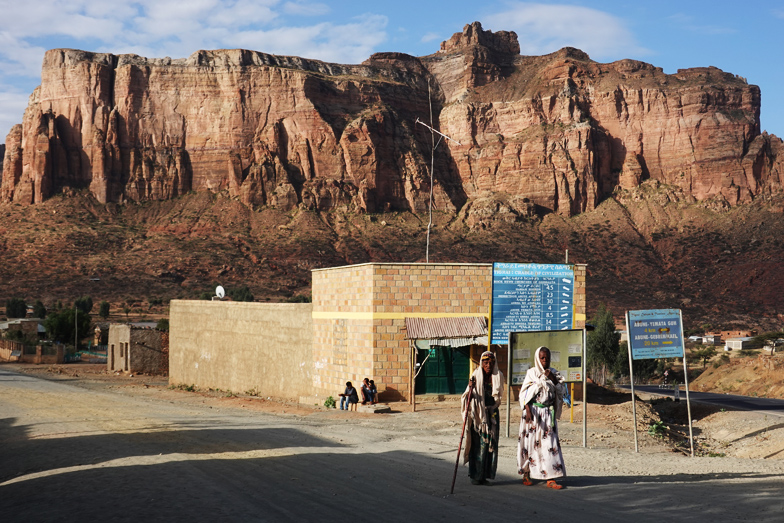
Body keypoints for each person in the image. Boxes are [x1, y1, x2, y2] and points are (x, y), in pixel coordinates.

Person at [517, 346, 567, 490]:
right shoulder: (532, 373)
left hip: (547, 414)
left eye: (547, 358)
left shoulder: (554, 374)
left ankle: (550, 477)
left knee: (549, 445)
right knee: (529, 444)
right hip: (532, 414)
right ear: (537, 358)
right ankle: (526, 473)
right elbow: (523, 395)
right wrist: (527, 411)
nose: (545, 361)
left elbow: (562, 392)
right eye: (542, 358)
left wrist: (553, 380)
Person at [461, 351, 504, 485]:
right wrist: (470, 388)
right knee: (477, 446)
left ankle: (485, 475)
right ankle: (475, 475)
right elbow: (468, 396)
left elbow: (499, 396)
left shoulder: (498, 375)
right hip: (479, 417)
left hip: (492, 414)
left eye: (491, 363)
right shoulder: (476, 375)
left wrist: (492, 407)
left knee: (490, 446)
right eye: (485, 363)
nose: (488, 365)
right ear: (481, 363)